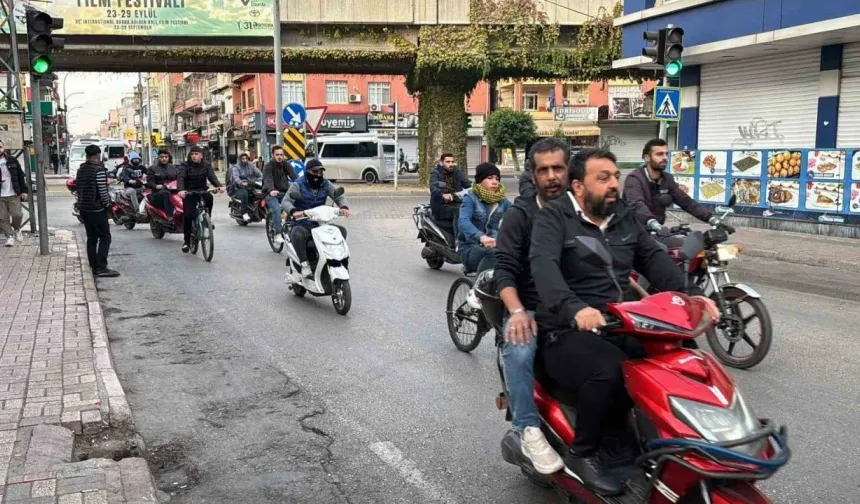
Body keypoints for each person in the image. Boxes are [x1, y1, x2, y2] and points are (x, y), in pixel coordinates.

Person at [529, 148, 719, 495]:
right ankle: (582, 453)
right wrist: (575, 310)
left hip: (621, 321)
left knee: (681, 357)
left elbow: (653, 258)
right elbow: (544, 269)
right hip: (565, 328)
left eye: (615, 176)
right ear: (579, 186)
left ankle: (677, 438)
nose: (614, 184)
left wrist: (692, 295)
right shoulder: (554, 218)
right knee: (610, 369)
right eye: (603, 178)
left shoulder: (624, 216)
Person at [493, 139, 568, 474]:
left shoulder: (580, 208)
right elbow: (504, 270)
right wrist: (518, 311)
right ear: (533, 175)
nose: (552, 176)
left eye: (558, 168)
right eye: (544, 170)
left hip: (576, 307)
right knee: (520, 348)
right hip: (532, 308)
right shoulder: (520, 215)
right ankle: (528, 429)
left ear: (570, 171)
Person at [623, 138, 714, 233]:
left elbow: (686, 202)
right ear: (647, 158)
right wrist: (653, 222)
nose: (665, 157)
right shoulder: (634, 178)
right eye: (659, 154)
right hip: (633, 232)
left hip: (656, 232)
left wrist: (711, 219)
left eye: (666, 154)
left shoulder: (667, 179)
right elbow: (636, 204)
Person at [283, 159, 350, 279]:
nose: (318, 175)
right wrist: (294, 211)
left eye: (320, 172)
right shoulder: (298, 184)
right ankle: (304, 264)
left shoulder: (326, 184)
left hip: (321, 223)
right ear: (308, 172)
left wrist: (344, 207)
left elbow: (338, 196)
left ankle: (339, 260)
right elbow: (286, 201)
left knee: (341, 231)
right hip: (303, 223)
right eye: (315, 172)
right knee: (297, 233)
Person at [456, 162, 509, 272]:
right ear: (480, 180)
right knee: (493, 254)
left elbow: (517, 214)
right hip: (470, 247)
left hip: (495, 245)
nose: (495, 182)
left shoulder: (502, 201)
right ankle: (480, 287)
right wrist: (481, 237)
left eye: (497, 179)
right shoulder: (470, 198)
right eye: (490, 178)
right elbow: (463, 221)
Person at [76, 145, 119, 277]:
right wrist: (107, 204)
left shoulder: (81, 169)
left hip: (84, 208)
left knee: (92, 238)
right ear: (98, 155)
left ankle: (93, 266)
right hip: (96, 208)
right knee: (105, 237)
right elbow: (102, 190)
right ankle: (101, 267)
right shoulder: (98, 170)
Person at [177, 146, 224, 253]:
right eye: (192, 154)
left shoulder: (206, 165)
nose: (194, 156)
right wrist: (181, 190)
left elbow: (212, 177)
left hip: (202, 190)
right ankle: (187, 242)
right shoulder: (185, 165)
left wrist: (219, 186)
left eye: (196, 154)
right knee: (188, 216)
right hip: (189, 192)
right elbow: (180, 178)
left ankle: (208, 219)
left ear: (201, 155)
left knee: (209, 198)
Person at [262, 146, 298, 244]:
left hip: (284, 192)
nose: (279, 157)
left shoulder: (286, 165)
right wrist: (271, 190)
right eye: (277, 155)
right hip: (270, 193)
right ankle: (278, 233)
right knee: (276, 209)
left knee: (297, 205)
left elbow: (294, 177)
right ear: (273, 155)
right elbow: (268, 179)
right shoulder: (268, 166)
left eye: (281, 155)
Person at [429, 153, 470, 235]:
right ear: (441, 163)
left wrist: (478, 187)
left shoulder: (457, 172)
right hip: (441, 206)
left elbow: (467, 184)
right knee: (458, 211)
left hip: (456, 202)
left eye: (452, 162)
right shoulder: (435, 173)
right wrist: (443, 194)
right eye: (448, 162)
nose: (451, 164)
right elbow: (433, 187)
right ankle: (458, 241)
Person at [0, 140, 27, 247]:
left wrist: (24, 191)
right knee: (2, 218)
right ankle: (9, 237)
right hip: (1, 196)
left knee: (17, 214)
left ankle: (17, 228)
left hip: (13, 193)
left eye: (0, 147)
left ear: (3, 148)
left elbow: (20, 176)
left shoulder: (12, 160)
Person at [229, 152, 262, 221]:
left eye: (246, 158)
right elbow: (236, 177)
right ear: (240, 159)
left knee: (260, 192)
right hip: (238, 187)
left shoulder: (251, 165)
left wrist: (264, 178)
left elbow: (259, 173)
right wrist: (241, 182)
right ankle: (244, 212)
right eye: (243, 159)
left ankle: (256, 209)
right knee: (244, 194)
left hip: (250, 185)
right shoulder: (236, 167)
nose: (245, 160)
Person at [146, 149, 178, 217]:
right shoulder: (152, 168)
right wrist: (156, 186)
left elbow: (179, 179)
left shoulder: (173, 167)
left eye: (166, 157)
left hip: (173, 191)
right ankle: (170, 217)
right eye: (162, 157)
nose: (164, 159)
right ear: (158, 157)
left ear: (168, 157)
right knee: (166, 193)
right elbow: (149, 182)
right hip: (157, 193)